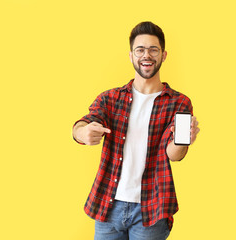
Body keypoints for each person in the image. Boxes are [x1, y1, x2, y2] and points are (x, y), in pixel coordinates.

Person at [72, 21, 200, 240]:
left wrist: (183, 140)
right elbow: (83, 124)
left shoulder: (178, 103)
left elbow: (174, 155)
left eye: (153, 49)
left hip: (151, 208)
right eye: (140, 49)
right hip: (108, 204)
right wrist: (82, 133)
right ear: (131, 55)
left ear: (164, 55)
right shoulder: (110, 98)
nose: (146, 55)